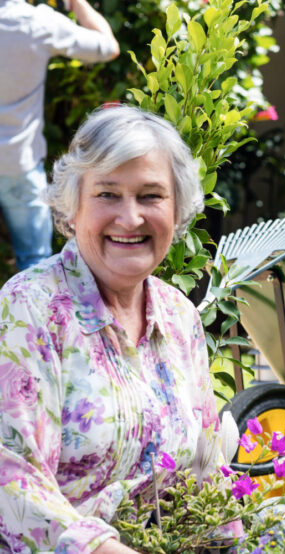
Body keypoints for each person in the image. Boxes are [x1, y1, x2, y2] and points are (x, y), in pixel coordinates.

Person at [0, 105, 225, 553]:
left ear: (176, 208)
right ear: (73, 207)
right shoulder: (29, 309)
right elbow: (12, 479)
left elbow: (207, 467)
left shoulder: (180, 316)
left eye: (150, 196)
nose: (130, 218)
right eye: (107, 194)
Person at [0, 0, 119, 270]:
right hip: (17, 161)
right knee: (35, 263)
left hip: (20, 163)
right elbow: (108, 47)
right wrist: (77, 3)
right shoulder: (36, 23)